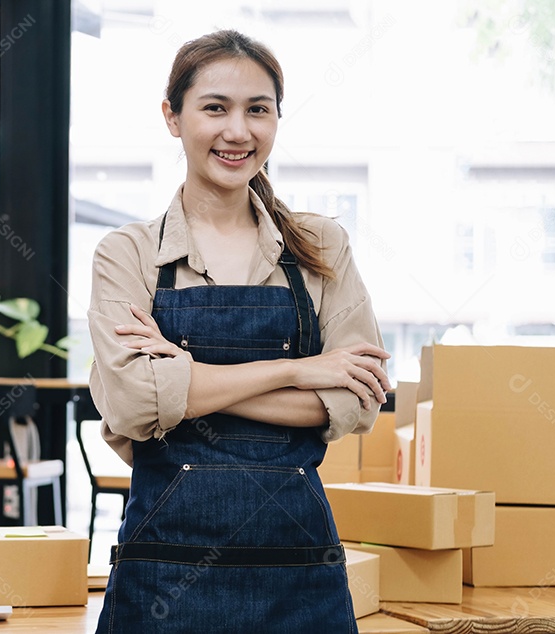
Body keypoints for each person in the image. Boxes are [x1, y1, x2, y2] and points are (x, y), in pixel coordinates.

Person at [87, 29, 390, 632]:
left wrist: (183, 378)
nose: (238, 131)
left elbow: (358, 400)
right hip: (164, 573)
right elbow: (132, 401)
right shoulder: (130, 254)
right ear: (172, 117)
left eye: (258, 110)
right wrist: (298, 370)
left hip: (299, 572)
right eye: (214, 108)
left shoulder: (322, 247)